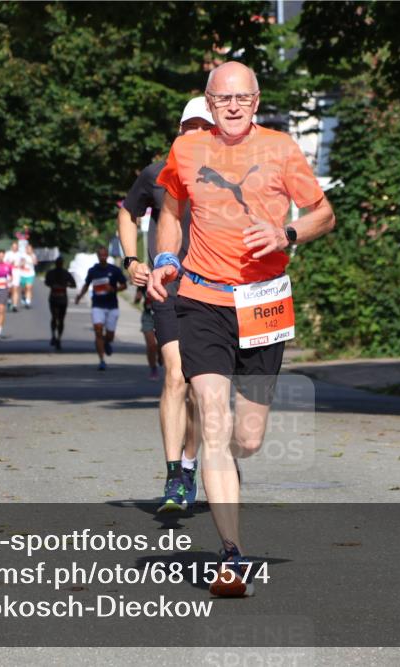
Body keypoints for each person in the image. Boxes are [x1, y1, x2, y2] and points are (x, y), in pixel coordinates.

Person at [147, 62, 336, 596]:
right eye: (222, 98)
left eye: (242, 98)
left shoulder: (280, 149)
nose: (232, 107)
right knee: (210, 419)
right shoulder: (186, 150)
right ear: (208, 102)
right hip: (201, 298)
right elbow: (171, 209)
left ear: (256, 101)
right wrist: (165, 256)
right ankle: (231, 556)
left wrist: (288, 233)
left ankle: (221, 467)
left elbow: (325, 213)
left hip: (263, 302)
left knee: (247, 438)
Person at [118, 96, 215, 513]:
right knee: (175, 376)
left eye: (203, 127)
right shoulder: (156, 175)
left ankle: (191, 465)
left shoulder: (228, 176)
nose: (195, 133)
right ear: (179, 131)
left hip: (216, 291)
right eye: (188, 126)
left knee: (199, 386)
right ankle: (175, 476)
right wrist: (132, 260)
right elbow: (128, 213)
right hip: (169, 288)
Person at [75, 246, 127, 371]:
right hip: (97, 305)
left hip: (112, 306)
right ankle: (102, 360)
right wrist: (79, 296)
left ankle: (107, 342)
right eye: (101, 255)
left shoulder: (114, 270)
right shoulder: (93, 270)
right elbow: (86, 285)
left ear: (107, 255)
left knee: (110, 335)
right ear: (98, 256)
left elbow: (124, 285)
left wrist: (113, 289)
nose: (103, 257)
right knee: (98, 331)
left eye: (105, 255)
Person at [44, 255, 76, 349]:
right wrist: (53, 285)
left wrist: (66, 285)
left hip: (62, 298)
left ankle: (58, 337)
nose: (59, 264)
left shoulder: (66, 273)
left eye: (60, 263)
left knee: (60, 319)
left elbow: (73, 284)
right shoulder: (51, 273)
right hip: (54, 297)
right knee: (55, 317)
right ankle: (54, 336)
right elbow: (46, 282)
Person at [135, 286, 160, 379]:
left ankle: (160, 356)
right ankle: (153, 368)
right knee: (151, 345)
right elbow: (136, 300)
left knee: (162, 345)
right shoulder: (144, 283)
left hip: (163, 315)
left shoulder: (167, 280)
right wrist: (137, 298)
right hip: (148, 315)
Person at [19, 244, 38, 308]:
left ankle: (28, 302)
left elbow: (35, 263)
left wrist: (32, 256)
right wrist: (22, 262)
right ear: (26, 249)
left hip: (30, 274)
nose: (29, 250)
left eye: (30, 249)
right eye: (28, 249)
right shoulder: (23, 255)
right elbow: (21, 263)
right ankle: (23, 295)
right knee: (24, 288)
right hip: (23, 274)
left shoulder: (33, 255)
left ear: (32, 250)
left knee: (29, 287)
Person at [8, 241, 24, 312]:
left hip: (17, 272)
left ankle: (15, 305)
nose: (14, 248)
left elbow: (23, 261)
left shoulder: (20, 254)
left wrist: (20, 264)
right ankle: (9, 299)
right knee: (10, 290)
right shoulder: (8, 254)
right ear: (11, 247)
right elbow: (4, 262)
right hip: (9, 272)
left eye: (16, 247)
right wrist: (10, 263)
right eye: (13, 247)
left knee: (15, 289)